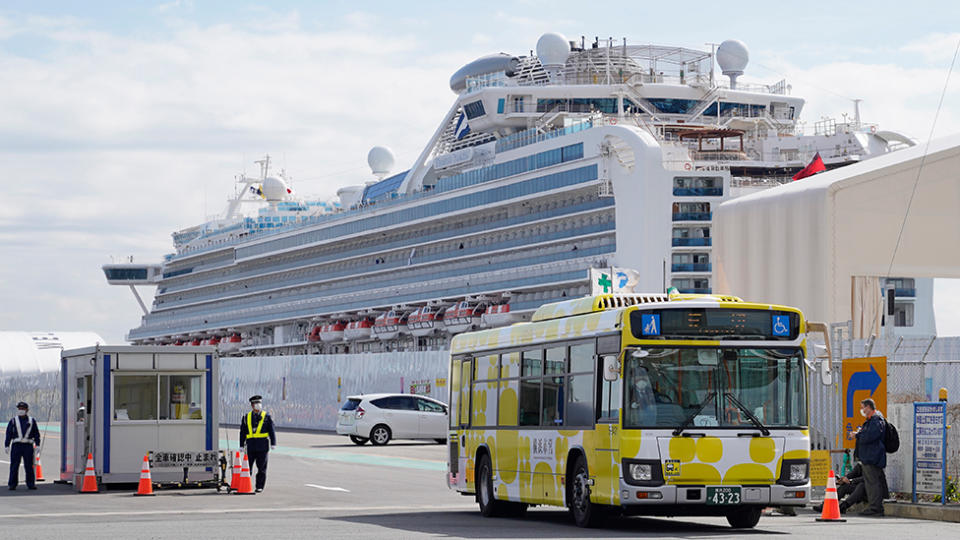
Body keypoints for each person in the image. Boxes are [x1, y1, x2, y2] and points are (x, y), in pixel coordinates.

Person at [854, 398, 886, 516]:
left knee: (873, 483)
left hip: (872, 457)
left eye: (862, 407)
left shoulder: (876, 421)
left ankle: (875, 508)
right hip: (869, 456)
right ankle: (874, 507)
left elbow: (869, 437)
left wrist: (858, 435)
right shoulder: (871, 421)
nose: (861, 410)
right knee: (871, 483)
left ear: (868, 407)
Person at [239, 395, 276, 493]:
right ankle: (246, 484)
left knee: (262, 467)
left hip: (262, 446)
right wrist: (241, 445)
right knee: (247, 467)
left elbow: (271, 430)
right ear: (252, 405)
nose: (258, 405)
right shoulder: (246, 417)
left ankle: (259, 486)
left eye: (259, 403)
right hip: (250, 446)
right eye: (256, 403)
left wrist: (273, 442)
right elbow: (242, 432)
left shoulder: (266, 416)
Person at [4, 401, 41, 491]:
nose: (21, 410)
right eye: (19, 409)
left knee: (29, 466)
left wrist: (38, 444)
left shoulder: (32, 421)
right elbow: (9, 433)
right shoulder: (13, 421)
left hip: (28, 446)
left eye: (23, 409)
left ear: (27, 410)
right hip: (16, 445)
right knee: (14, 466)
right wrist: (7, 445)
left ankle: (31, 484)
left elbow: (36, 433)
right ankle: (12, 484)